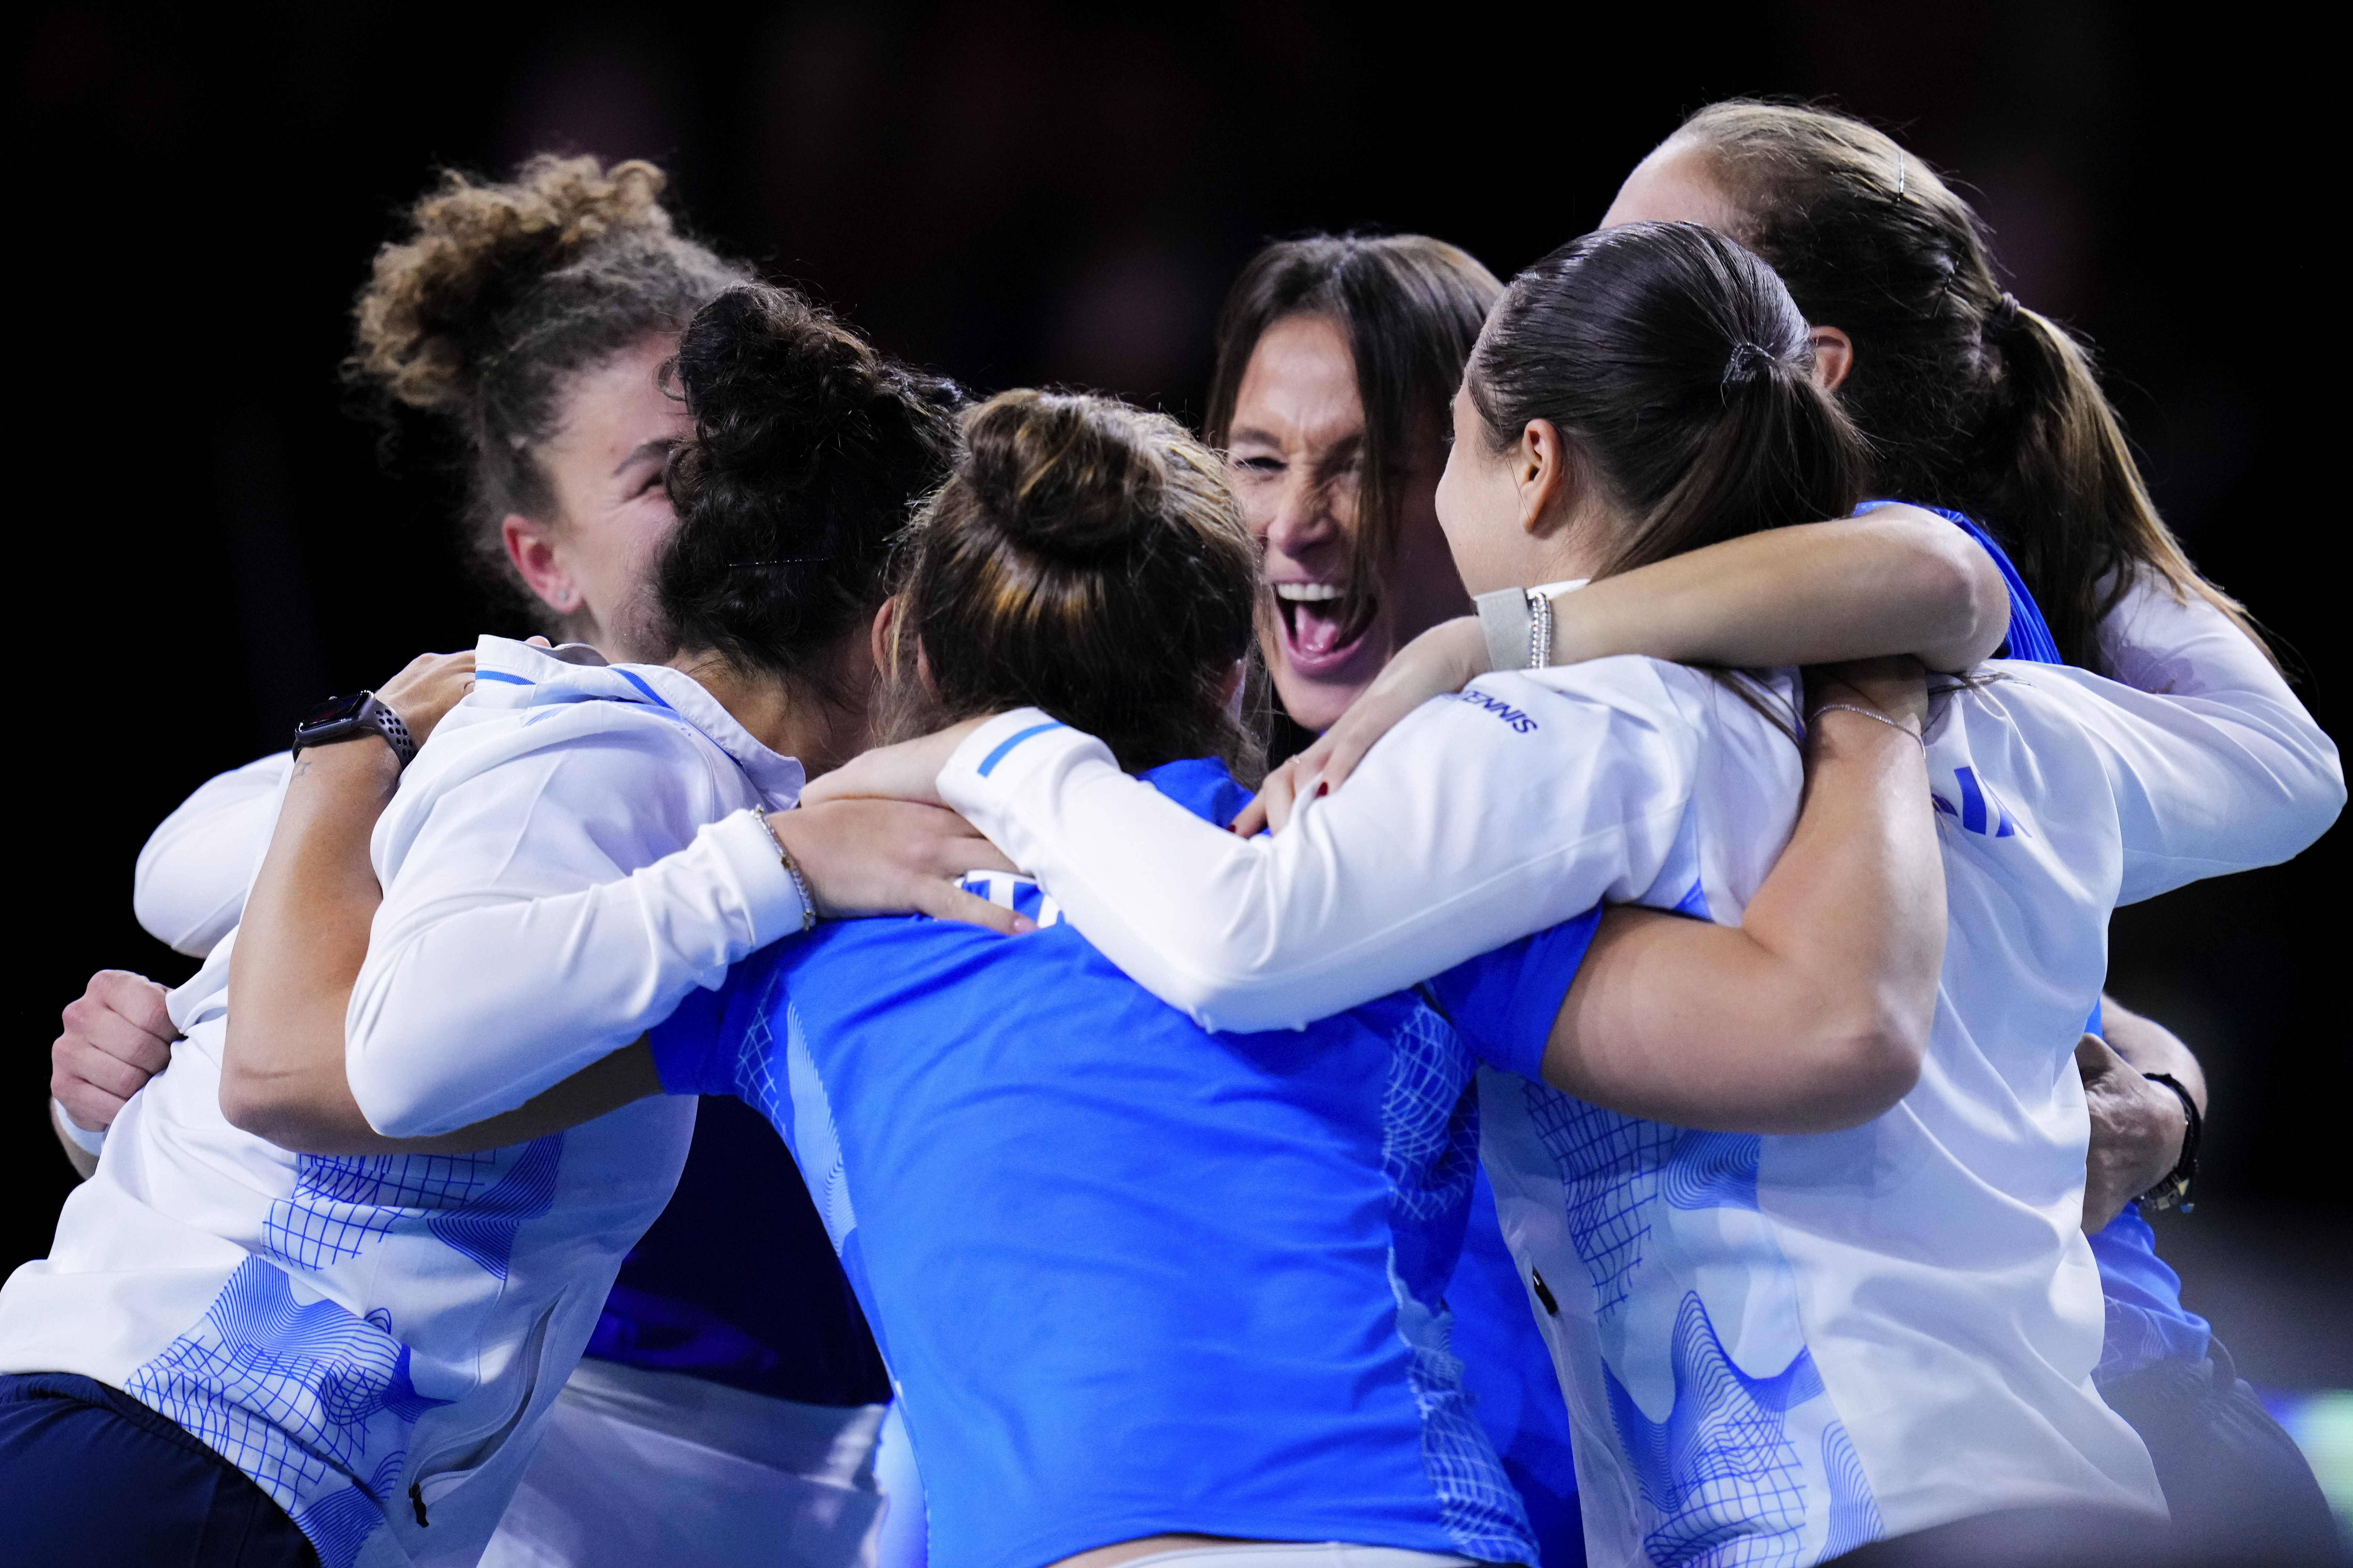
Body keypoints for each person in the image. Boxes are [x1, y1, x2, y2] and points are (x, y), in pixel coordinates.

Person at [222, 365, 1968, 1566]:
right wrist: (1885, 705)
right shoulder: (1380, 883)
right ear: (1234, 671)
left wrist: (332, 786)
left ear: (905, 645)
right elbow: (1819, 1022)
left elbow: (313, 1073)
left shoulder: (795, 942)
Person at [813, 222, 2339, 1563]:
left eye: (1420, 460)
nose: (1309, 517)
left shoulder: (1566, 740)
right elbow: (2291, 777)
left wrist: (1010, 753)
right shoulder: (2013, 716)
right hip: (2092, 1494)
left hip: (1826, 1531)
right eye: (1261, 460)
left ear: (1528, 465)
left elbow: (1238, 938)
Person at [0, 281, 1005, 1567]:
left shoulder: (627, 767)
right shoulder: (594, 752)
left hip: (292, 1478)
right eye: (660, 473)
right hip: (200, 1449)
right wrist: (354, 759)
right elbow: (305, 1060)